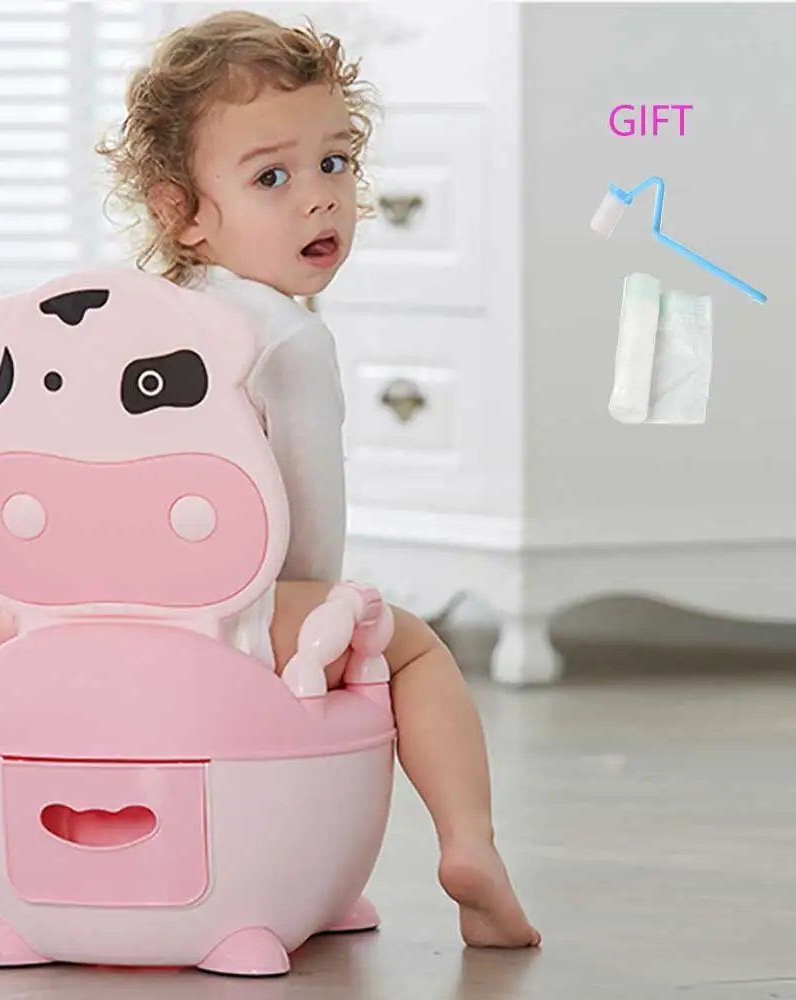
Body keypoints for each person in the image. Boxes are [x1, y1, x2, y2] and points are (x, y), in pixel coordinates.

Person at [90, 10, 541, 949]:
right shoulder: (286, 337)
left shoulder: (126, 317)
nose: (320, 200)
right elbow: (304, 534)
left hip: (98, 619)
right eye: (273, 177)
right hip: (232, 622)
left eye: (335, 163)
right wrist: (316, 621)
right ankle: (469, 846)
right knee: (413, 650)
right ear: (182, 210)